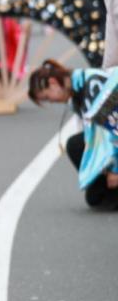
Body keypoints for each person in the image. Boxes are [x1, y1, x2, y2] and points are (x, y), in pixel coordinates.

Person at [28, 59, 118, 209]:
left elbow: (113, 128)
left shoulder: (93, 85)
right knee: (94, 195)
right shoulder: (77, 91)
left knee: (76, 146)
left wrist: (115, 170)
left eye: (47, 97)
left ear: (53, 83)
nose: (51, 102)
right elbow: (91, 136)